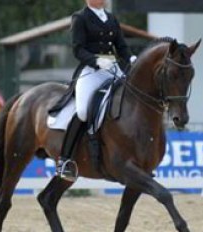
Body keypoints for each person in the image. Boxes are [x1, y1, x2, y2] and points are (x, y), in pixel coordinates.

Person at [57, 0, 136, 181]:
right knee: (83, 111)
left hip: (112, 68)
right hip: (91, 70)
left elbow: (121, 45)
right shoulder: (81, 18)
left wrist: (131, 57)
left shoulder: (111, 18)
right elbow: (78, 49)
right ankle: (64, 160)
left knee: (129, 99)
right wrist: (96, 61)